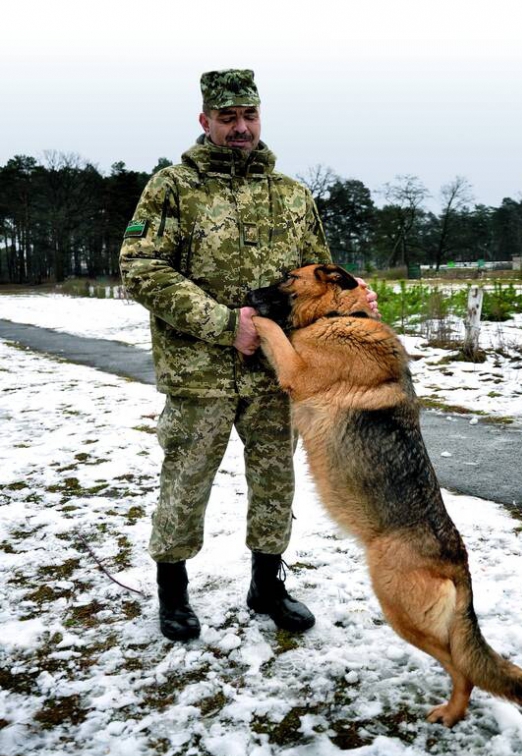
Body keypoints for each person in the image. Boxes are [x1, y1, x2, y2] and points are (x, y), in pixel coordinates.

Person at [119, 69, 376, 642]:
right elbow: (140, 267)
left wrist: (356, 300)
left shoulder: (291, 195)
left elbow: (321, 279)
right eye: (228, 117)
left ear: (260, 116)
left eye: (249, 116)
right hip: (198, 375)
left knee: (275, 481)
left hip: (276, 374)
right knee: (186, 482)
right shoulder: (172, 187)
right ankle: (173, 593)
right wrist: (220, 324)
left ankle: (267, 586)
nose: (240, 127)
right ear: (205, 120)